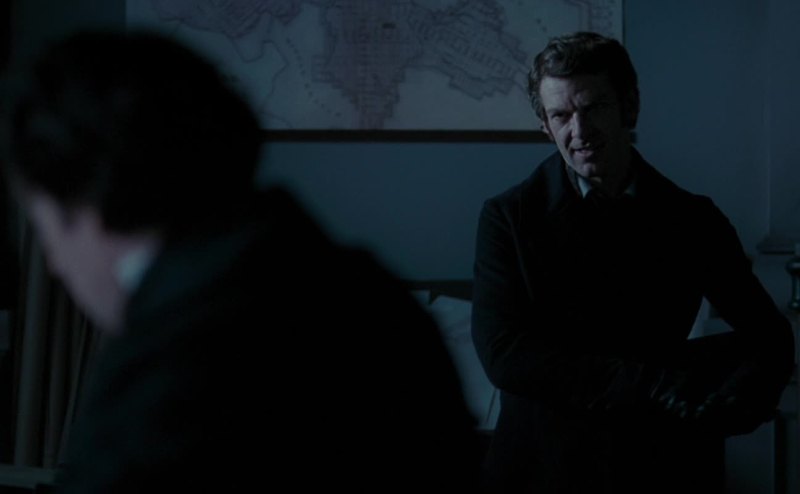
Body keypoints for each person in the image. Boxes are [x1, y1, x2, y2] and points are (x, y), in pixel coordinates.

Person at [0, 30, 482, 492]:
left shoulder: (161, 378)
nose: (55, 264)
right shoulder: (376, 296)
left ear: (89, 207)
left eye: (45, 229)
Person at [471, 31, 795, 493]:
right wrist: (657, 386)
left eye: (594, 108)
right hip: (544, 468)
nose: (579, 132)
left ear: (630, 107)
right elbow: (504, 355)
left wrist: (734, 403)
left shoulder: (692, 218)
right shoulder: (508, 217)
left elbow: (769, 335)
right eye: (561, 115)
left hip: (658, 463)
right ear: (545, 125)